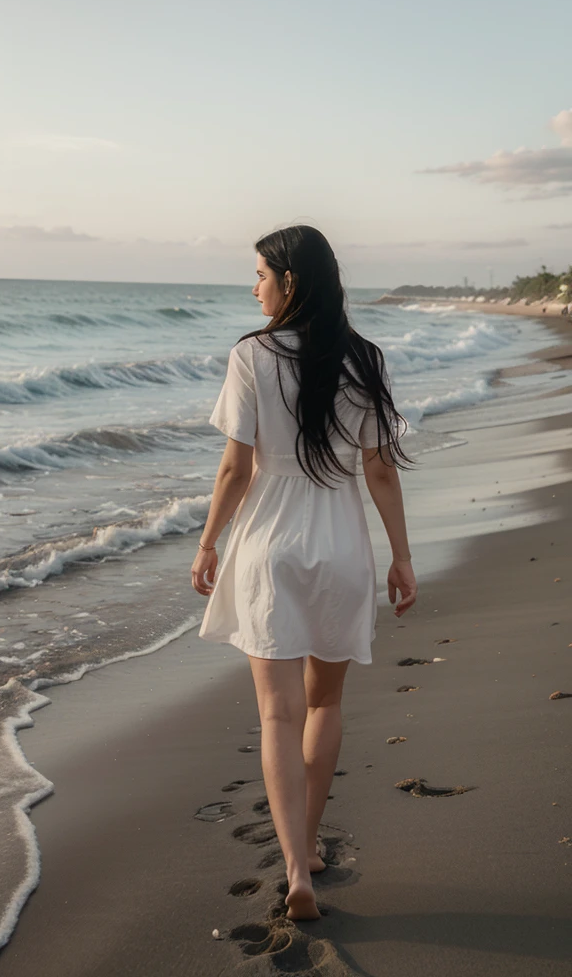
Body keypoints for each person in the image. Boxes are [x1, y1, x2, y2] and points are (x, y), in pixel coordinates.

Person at [191, 224, 417, 921]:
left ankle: (295, 869)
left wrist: (208, 543)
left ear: (290, 281)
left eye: (260, 273)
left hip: (269, 543)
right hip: (341, 544)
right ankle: (310, 841)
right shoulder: (366, 357)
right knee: (323, 706)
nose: (253, 285)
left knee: (277, 713)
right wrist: (402, 556)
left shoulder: (252, 355)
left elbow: (236, 467)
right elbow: (378, 468)